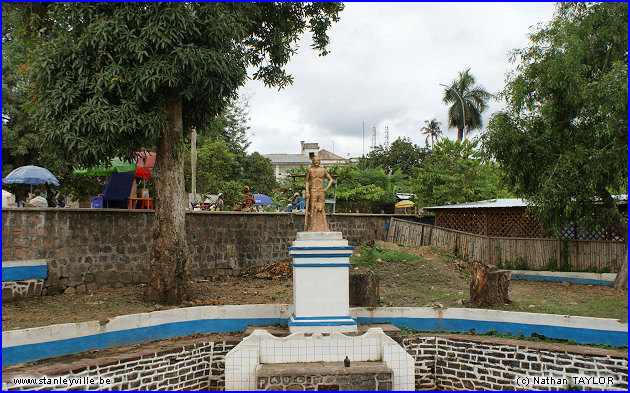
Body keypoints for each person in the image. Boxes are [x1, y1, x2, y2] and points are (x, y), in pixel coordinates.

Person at [304, 156, 333, 231]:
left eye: (318, 160)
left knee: (322, 208)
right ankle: (312, 227)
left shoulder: (323, 170)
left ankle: (324, 227)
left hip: (321, 191)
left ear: (320, 161)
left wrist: (326, 188)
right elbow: (307, 181)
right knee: (313, 208)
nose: (316, 161)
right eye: (315, 160)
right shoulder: (310, 170)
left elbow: (331, 180)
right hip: (313, 190)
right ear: (313, 161)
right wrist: (307, 191)